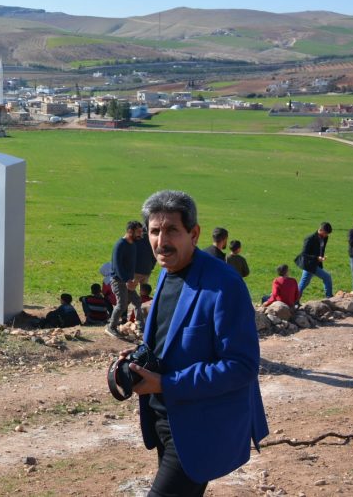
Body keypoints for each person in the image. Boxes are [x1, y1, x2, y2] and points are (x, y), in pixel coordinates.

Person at [123, 189, 267, 495]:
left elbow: (241, 366)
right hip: (165, 418)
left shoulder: (224, 285)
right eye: (154, 231)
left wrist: (166, 383)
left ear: (194, 233)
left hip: (199, 427)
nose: (161, 242)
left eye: (172, 230)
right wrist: (139, 358)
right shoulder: (167, 272)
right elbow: (169, 338)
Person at [106, 220, 144, 340]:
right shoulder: (120, 245)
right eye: (138, 232)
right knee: (122, 305)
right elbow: (117, 266)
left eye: (141, 232)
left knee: (137, 302)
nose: (140, 235)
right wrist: (128, 280)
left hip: (128, 280)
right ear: (129, 231)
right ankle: (111, 327)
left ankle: (140, 326)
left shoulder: (133, 244)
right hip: (119, 281)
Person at [297, 222, 333, 298]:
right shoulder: (310, 238)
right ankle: (329, 297)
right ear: (321, 230)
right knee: (327, 277)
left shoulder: (325, 238)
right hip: (308, 264)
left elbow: (322, 249)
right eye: (326, 233)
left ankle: (294, 300)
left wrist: (321, 257)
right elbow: (304, 254)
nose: (327, 235)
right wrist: (316, 258)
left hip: (315, 263)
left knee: (304, 283)